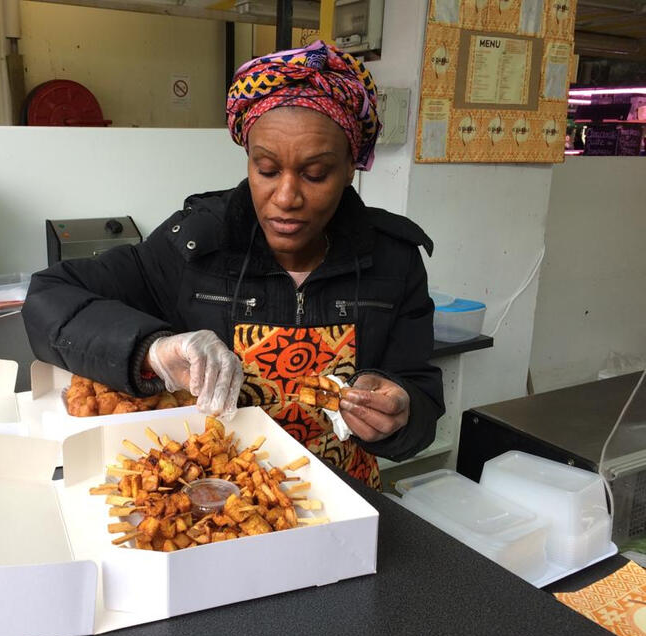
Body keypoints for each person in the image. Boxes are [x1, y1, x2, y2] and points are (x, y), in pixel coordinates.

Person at [23, 41, 444, 490]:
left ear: (350, 168)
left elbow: (419, 396)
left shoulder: (392, 261)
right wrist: (155, 350)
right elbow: (49, 297)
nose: (285, 198)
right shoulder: (194, 246)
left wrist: (401, 413)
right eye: (265, 169)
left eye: (315, 174)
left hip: (347, 501)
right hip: (219, 505)